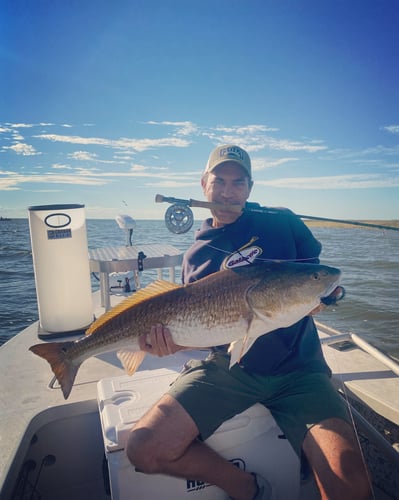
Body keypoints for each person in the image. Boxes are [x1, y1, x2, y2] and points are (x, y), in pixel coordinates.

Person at [126, 144, 371, 500]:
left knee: (349, 481)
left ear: (250, 188)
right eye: (219, 181)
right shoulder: (196, 255)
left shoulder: (282, 222)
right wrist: (169, 343)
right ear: (203, 184)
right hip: (228, 368)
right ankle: (244, 486)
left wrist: (331, 295)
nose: (228, 191)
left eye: (238, 183)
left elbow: (321, 279)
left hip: (300, 370)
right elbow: (199, 328)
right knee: (143, 448)